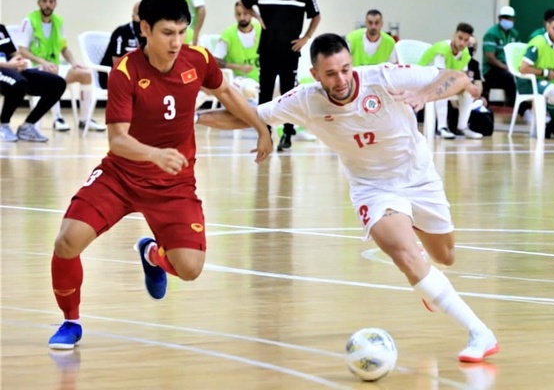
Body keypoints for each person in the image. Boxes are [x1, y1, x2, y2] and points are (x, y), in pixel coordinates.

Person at [198, 33, 499, 363]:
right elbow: (248, 115)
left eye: (345, 69)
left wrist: (423, 95)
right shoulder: (304, 100)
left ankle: (428, 283)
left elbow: (456, 77)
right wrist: (193, 119)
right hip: (373, 188)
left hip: (418, 176)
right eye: (330, 74)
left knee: (445, 256)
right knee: (406, 255)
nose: (341, 80)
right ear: (315, 75)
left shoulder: (384, 77)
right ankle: (479, 332)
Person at [46, 0, 272, 350]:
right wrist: (154, 154)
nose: (176, 41)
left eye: (182, 32)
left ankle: (151, 253)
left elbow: (227, 94)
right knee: (67, 241)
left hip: (173, 184)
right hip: (121, 176)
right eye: (168, 32)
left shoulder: (198, 59)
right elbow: (117, 140)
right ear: (146, 28)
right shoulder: (126, 71)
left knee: (190, 269)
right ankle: (71, 321)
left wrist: (261, 127)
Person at [240, 0, 321, 152]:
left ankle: (287, 132)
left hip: (290, 51)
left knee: (289, 93)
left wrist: (306, 38)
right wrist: (257, 18)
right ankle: (264, 131)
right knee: (265, 93)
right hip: (267, 50)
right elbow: (244, 3)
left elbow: (316, 16)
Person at [17, 0, 105, 132]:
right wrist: (42, 62)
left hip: (53, 65)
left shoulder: (58, 21)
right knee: (53, 76)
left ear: (55, 4)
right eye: (44, 1)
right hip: (34, 67)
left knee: (85, 74)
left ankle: (85, 120)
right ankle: (57, 118)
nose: (47, 5)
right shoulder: (29, 21)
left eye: (51, 1)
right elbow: (22, 50)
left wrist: (74, 63)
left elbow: (64, 48)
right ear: (38, 3)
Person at [0, 23, 67, 142]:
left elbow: (14, 53)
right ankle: (3, 125)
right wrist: (8, 65)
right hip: (4, 70)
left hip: (13, 70)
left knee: (57, 83)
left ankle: (28, 126)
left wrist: (20, 61)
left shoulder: (1, 28)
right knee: (19, 83)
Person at [418, 22, 482, 139]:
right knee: (443, 88)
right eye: (460, 38)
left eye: (466, 40)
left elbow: (462, 75)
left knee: (468, 92)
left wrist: (469, 87)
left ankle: (462, 127)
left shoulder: (466, 53)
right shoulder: (442, 49)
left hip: (446, 80)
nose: (462, 43)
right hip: (423, 80)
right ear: (454, 36)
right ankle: (441, 127)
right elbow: (439, 77)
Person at [212, 1, 261, 103]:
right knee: (249, 89)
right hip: (238, 78)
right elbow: (215, 61)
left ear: (252, 14)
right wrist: (239, 67)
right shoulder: (228, 34)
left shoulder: (260, 29)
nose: (242, 18)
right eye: (238, 14)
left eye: (245, 14)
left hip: (261, 76)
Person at [99, 1, 146, 89]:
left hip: (139, 76)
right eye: (138, 14)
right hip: (113, 75)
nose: (141, 18)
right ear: (132, 16)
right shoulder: (122, 32)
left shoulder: (148, 34)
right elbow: (117, 62)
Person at [482, 6, 519, 108]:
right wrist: (505, 67)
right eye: (505, 18)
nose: (508, 20)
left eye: (510, 18)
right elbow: (490, 57)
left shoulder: (514, 34)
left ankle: (519, 104)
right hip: (492, 69)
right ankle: (518, 107)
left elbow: (518, 53)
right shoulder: (491, 33)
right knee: (508, 77)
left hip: (509, 67)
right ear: (499, 19)